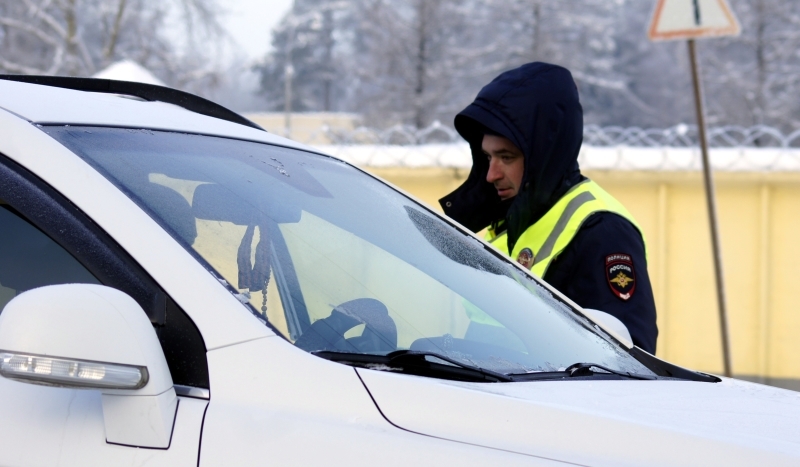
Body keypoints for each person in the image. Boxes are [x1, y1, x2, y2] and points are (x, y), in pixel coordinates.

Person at [439, 62, 658, 353]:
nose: (491, 174)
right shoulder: (509, 219)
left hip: (539, 398)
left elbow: (626, 362)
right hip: (492, 394)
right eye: (487, 157)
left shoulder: (603, 232)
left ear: (545, 154)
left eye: (506, 157)